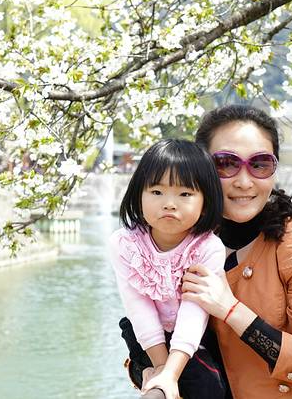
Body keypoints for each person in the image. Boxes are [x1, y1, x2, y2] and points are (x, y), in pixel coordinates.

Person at [172, 105, 292, 398]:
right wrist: (150, 369)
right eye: (225, 163)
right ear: (202, 169)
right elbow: (154, 342)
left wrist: (230, 310)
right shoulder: (184, 243)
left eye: (260, 164)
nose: (244, 181)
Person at [110, 139, 227, 399]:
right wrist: (163, 370)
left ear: (206, 202)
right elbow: (137, 306)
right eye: (156, 192)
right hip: (144, 335)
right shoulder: (125, 244)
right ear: (138, 194)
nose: (169, 204)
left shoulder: (207, 248)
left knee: (209, 387)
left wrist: (170, 373)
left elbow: (194, 313)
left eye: (185, 194)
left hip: (192, 337)